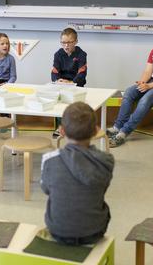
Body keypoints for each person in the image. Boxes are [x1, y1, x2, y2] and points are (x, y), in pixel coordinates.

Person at [40, 102, 114, 245]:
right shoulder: (106, 160)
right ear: (95, 131)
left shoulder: (49, 160)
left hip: (58, 231)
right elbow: (102, 187)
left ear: (61, 131)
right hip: (94, 231)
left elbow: (46, 189)